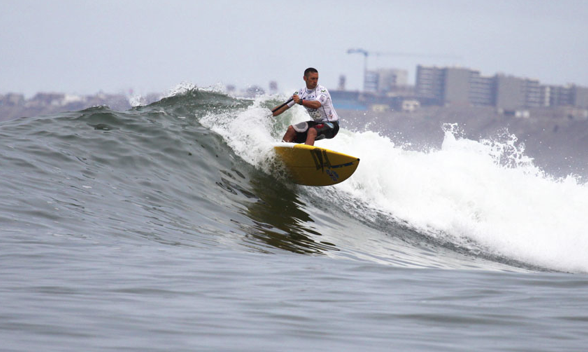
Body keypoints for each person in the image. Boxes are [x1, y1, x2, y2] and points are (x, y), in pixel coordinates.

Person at [271, 67, 340, 146]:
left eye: (316, 79)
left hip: (332, 125)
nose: (315, 81)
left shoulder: (322, 91)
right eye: (312, 78)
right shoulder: (300, 92)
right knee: (291, 129)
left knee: (312, 131)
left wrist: (301, 101)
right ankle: (282, 154)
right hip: (316, 123)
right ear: (305, 78)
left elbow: (316, 105)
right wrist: (268, 114)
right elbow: (284, 106)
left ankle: (306, 155)